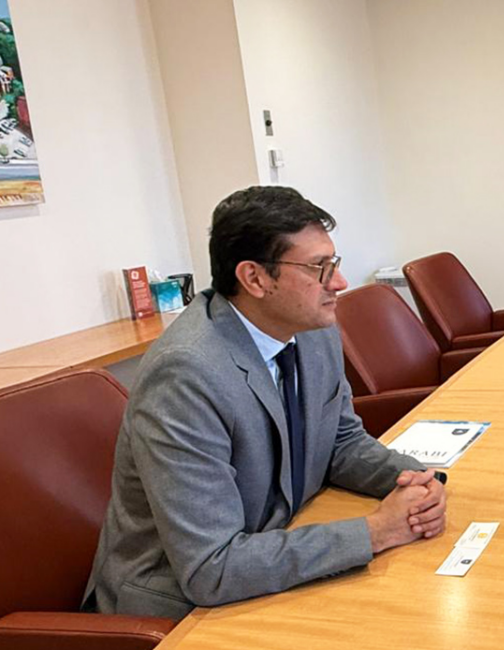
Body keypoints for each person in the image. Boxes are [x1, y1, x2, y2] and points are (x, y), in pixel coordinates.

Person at [84, 186, 447, 619]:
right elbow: (211, 568)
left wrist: (416, 482)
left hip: (276, 547)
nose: (339, 282)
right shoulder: (185, 374)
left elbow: (340, 442)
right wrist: (375, 531)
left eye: (334, 263)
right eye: (319, 268)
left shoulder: (312, 329)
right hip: (178, 606)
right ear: (254, 278)